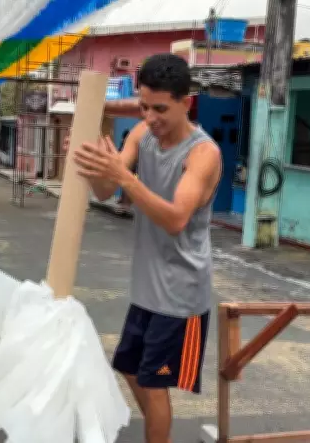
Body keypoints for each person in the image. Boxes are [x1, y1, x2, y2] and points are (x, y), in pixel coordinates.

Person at [68, 53, 222, 443]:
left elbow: (175, 220)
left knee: (155, 385)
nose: (150, 118)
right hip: (147, 290)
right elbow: (106, 190)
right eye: (143, 107)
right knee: (129, 366)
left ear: (185, 103)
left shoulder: (203, 154)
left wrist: (124, 177)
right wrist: (93, 165)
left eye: (160, 109)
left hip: (181, 295)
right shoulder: (141, 135)